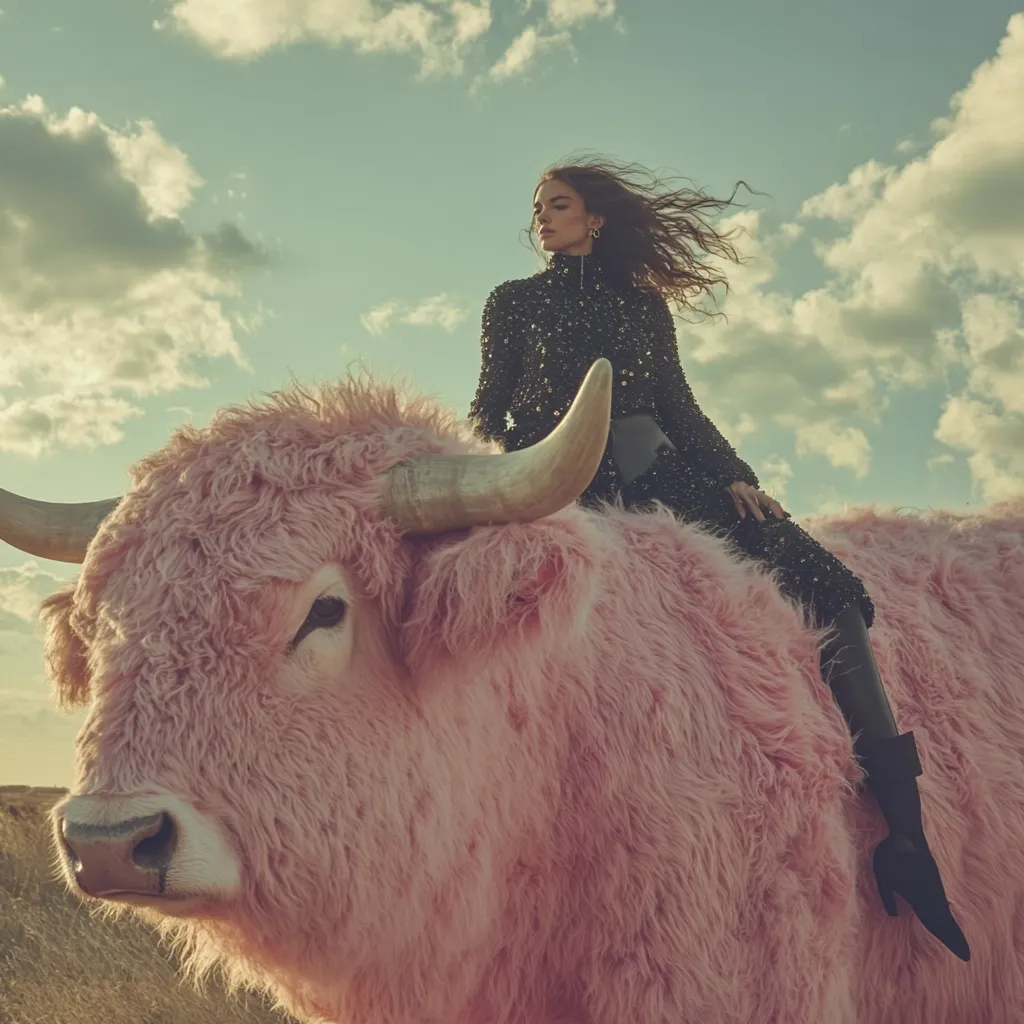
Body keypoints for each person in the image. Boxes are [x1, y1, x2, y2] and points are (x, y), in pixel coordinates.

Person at [468, 157, 970, 962]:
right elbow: (491, 412)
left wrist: (740, 480)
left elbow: (679, 408)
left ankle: (905, 836)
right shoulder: (513, 303)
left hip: (663, 470)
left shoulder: (644, 308)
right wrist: (531, 461)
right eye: (537, 207)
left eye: (556, 205)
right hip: (562, 484)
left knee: (827, 585)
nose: (540, 217)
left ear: (595, 218)